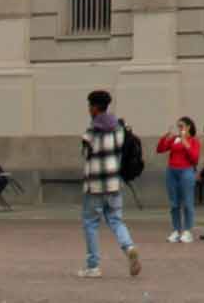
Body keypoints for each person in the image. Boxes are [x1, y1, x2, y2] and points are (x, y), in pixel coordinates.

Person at [77, 90, 141, 280]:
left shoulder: (91, 132)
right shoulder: (119, 129)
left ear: (95, 108)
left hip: (95, 185)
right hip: (114, 183)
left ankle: (93, 266)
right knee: (116, 220)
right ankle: (129, 247)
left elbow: (85, 155)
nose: (88, 109)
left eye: (90, 106)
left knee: (91, 224)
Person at [157, 117, 202, 242]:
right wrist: (166, 137)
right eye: (178, 126)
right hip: (172, 171)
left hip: (186, 172)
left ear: (189, 127)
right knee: (174, 204)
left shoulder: (193, 141)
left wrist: (184, 142)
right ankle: (176, 230)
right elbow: (160, 149)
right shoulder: (174, 139)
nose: (179, 129)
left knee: (187, 203)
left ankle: (188, 231)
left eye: (182, 126)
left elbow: (194, 158)